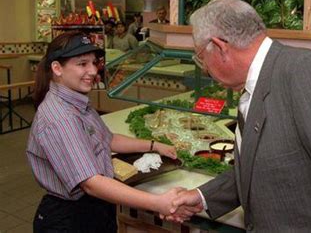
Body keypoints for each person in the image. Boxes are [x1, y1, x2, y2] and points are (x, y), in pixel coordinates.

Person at [166, 0, 311, 232]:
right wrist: (203, 197)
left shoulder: (307, 73)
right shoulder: (257, 84)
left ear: (220, 47)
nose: (205, 68)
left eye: (201, 57)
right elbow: (270, 169)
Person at [26, 32, 198, 232]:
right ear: (57, 68)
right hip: (70, 218)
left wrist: (154, 145)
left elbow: (108, 139)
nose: (92, 71)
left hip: (94, 209)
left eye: (93, 62)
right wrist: (158, 202)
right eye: (82, 64)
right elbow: (92, 183)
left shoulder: (76, 100)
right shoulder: (61, 118)